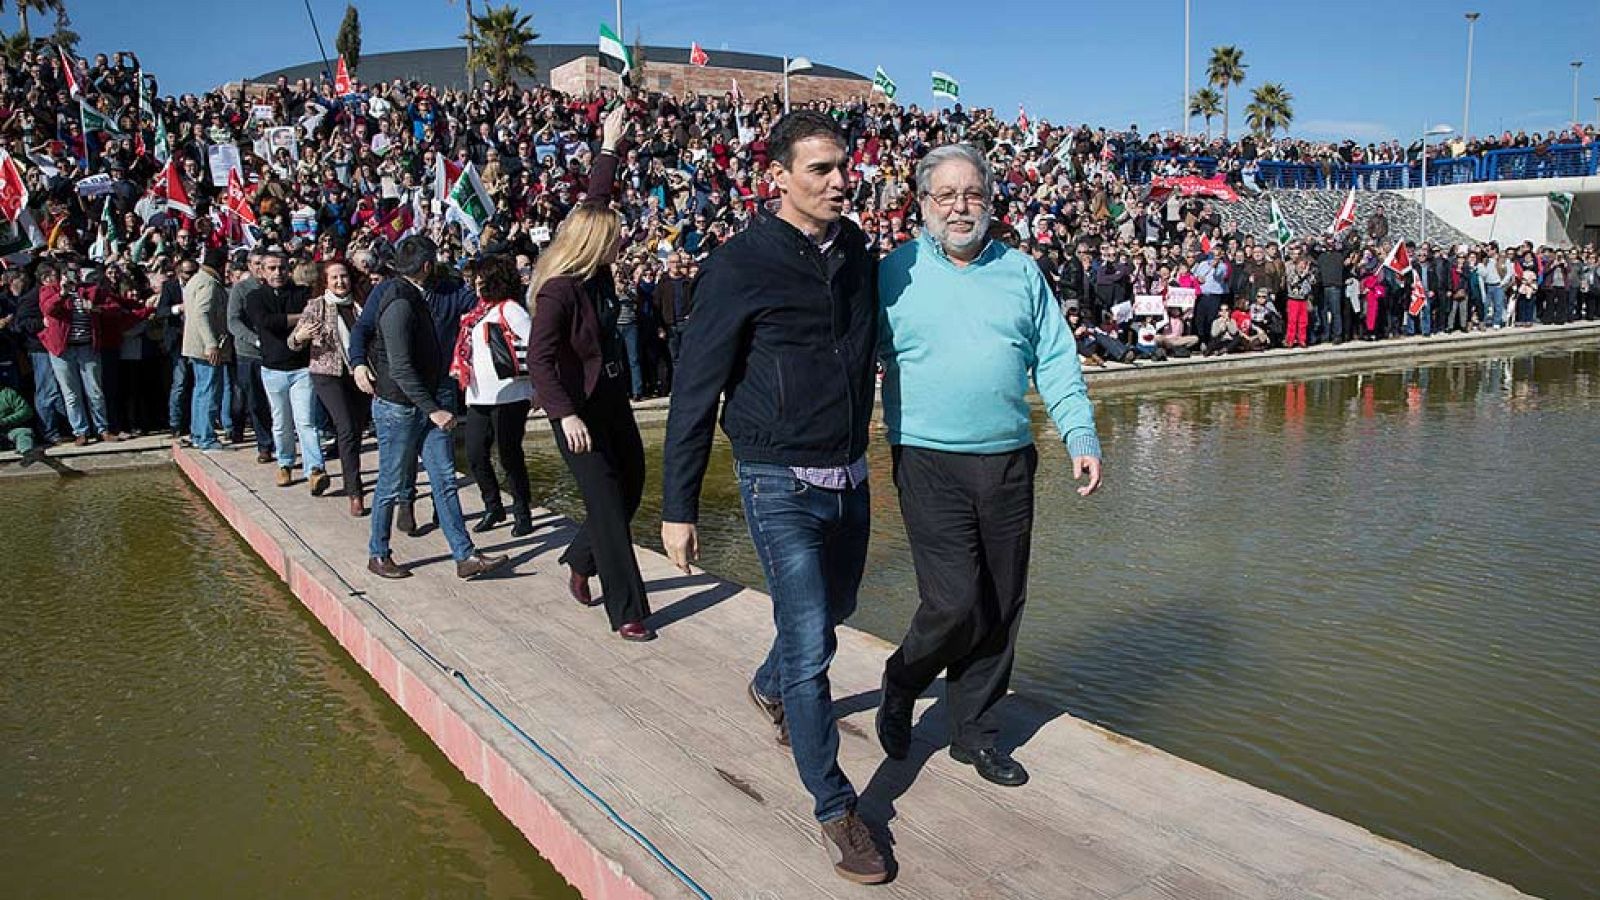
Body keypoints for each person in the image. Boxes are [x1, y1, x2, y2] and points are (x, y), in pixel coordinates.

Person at [660, 110, 888, 885]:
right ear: (778, 177)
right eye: (819, 169)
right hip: (774, 475)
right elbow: (695, 387)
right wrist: (678, 505)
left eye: (842, 166)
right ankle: (836, 809)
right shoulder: (738, 263)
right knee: (808, 641)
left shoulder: (859, 249)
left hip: (849, 470)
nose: (837, 180)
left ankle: (767, 684)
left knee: (835, 612)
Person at [876, 143, 1103, 789]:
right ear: (921, 204)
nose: (959, 207)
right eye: (944, 195)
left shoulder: (1022, 272)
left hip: (1006, 460)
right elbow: (844, 353)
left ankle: (973, 733)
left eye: (971, 193)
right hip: (925, 458)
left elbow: (1055, 360)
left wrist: (1079, 435)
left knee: (1001, 605)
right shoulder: (893, 273)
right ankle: (902, 681)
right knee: (952, 603)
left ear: (990, 201)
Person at [527, 106, 655, 642]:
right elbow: (538, 359)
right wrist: (563, 415)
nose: (620, 244)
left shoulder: (597, 270)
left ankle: (580, 556)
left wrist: (609, 144)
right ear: (594, 244)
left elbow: (596, 199)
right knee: (604, 504)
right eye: (614, 239)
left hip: (609, 401)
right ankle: (627, 610)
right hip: (573, 410)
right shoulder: (560, 289)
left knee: (631, 488)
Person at [365, 234, 508, 581]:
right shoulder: (399, 301)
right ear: (428, 266)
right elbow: (400, 367)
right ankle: (378, 553)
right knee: (391, 482)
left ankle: (464, 555)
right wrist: (433, 409)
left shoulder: (412, 294)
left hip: (424, 402)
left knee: (444, 478)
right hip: (400, 407)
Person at [451, 253, 535, 537]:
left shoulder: (512, 310)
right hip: (477, 395)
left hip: (509, 395)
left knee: (510, 455)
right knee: (475, 453)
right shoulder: (478, 311)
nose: (476, 283)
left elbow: (537, 348)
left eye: (481, 278)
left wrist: (537, 389)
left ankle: (522, 512)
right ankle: (493, 505)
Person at [289, 259, 370, 516]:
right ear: (325, 282)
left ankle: (353, 476)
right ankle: (354, 492)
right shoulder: (317, 306)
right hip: (327, 374)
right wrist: (300, 337)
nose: (339, 282)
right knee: (345, 428)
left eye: (343, 277)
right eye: (334, 278)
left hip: (358, 373)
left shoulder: (361, 305)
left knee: (356, 430)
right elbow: (293, 341)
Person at [244, 251, 328, 493]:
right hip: (273, 370)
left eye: (281, 268)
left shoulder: (301, 294)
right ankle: (285, 463)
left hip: (301, 368)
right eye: (271, 268)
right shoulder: (255, 297)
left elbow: (315, 317)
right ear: (262, 271)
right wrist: (300, 319)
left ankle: (315, 469)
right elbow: (266, 322)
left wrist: (298, 320)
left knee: (306, 421)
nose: (277, 273)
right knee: (281, 422)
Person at [40, 264, 122, 445]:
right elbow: (48, 309)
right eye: (68, 273)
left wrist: (96, 308)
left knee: (95, 391)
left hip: (87, 347)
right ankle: (80, 431)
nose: (73, 276)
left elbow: (115, 307)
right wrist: (61, 294)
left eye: (76, 272)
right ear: (60, 275)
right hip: (62, 349)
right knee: (71, 393)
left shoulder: (91, 290)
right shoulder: (49, 291)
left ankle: (102, 429)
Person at [181, 248, 233, 452]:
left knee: (201, 391)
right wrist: (211, 343)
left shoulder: (195, 279)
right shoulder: (209, 284)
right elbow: (202, 314)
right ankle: (206, 438)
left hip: (195, 346)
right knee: (209, 391)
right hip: (206, 348)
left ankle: (197, 433)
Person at [228, 249, 276, 463]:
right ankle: (264, 444)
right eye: (256, 263)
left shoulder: (275, 288)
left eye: (262, 263)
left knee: (276, 400)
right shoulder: (241, 289)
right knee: (255, 402)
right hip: (249, 353)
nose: (259, 267)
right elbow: (233, 321)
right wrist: (254, 339)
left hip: (274, 352)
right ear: (249, 265)